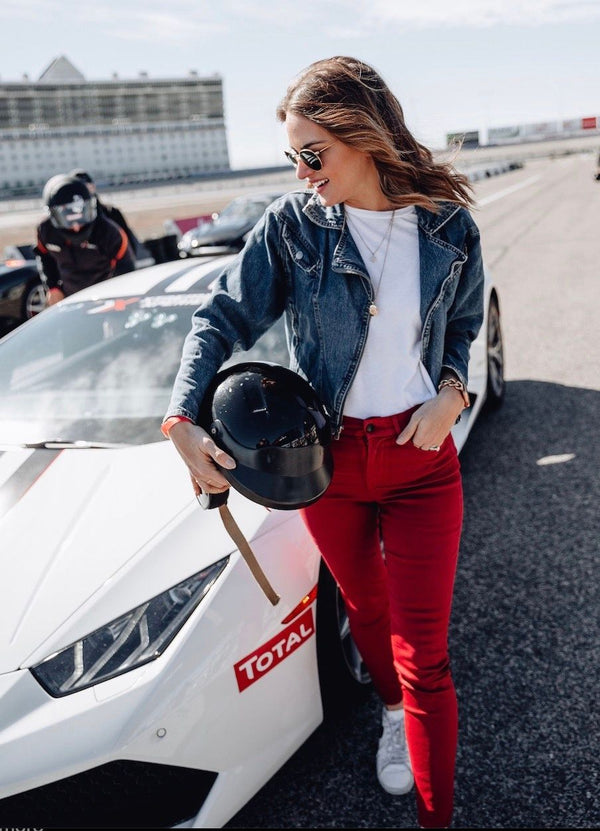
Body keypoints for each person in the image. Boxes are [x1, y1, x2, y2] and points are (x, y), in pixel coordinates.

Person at [162, 56, 484, 829]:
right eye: (293, 157)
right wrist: (181, 417)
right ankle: (387, 712)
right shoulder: (292, 226)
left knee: (426, 656)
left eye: (315, 153)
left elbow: (463, 327)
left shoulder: (446, 223)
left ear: (363, 136)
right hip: (329, 464)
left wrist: (451, 391)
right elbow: (219, 318)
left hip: (420, 463)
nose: (304, 172)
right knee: (365, 611)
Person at [35, 173, 136, 305]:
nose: (76, 227)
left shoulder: (108, 231)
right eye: (68, 220)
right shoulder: (46, 231)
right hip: (70, 297)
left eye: (80, 218)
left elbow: (126, 267)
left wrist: (121, 297)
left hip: (106, 295)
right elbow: (43, 256)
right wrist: (52, 287)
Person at [69, 168, 141, 256]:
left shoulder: (111, 212)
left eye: (86, 188)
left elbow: (127, 243)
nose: (84, 194)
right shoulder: (69, 219)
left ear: (93, 187)